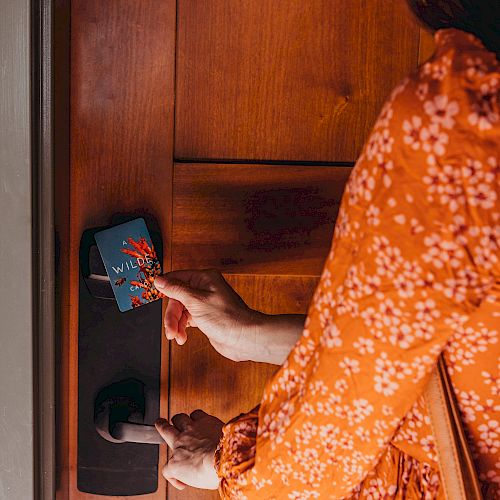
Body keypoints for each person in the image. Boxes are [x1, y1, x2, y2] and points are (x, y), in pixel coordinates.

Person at [153, 0, 499, 497]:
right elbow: (440, 354)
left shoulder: (464, 118)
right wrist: (253, 335)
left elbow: (345, 420)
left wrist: (220, 463)